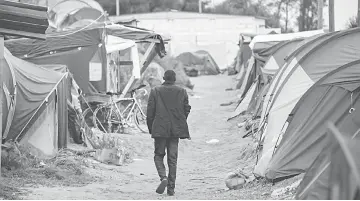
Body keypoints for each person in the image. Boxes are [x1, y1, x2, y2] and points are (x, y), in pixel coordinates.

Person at [146, 70, 191, 196]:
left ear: (164, 78)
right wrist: (180, 120)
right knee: (173, 159)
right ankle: (171, 189)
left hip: (160, 129)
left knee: (158, 155)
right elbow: (186, 109)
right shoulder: (182, 91)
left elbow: (150, 112)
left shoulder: (155, 91)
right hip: (175, 130)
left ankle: (163, 178)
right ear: (174, 79)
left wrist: (151, 128)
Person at [67, 74, 83, 144]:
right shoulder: (74, 94)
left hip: (73, 105)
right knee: (76, 124)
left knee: (76, 124)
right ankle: (77, 139)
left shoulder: (69, 79)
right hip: (73, 107)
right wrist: (80, 112)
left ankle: (77, 138)